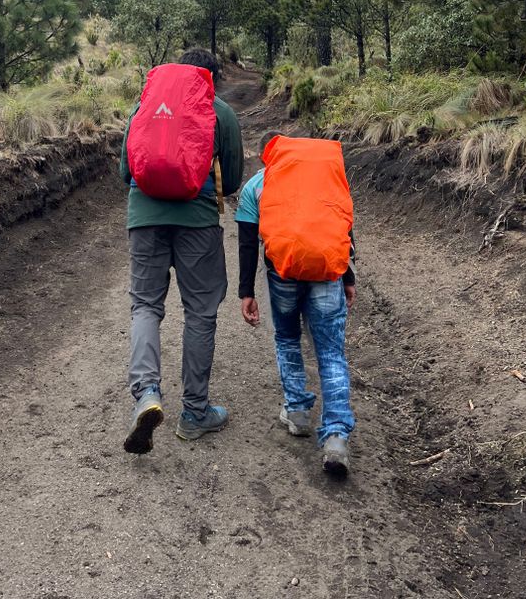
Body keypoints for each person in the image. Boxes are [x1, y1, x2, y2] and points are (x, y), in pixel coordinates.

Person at [120, 48, 244, 454]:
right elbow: (232, 181)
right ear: (209, 77)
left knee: (145, 306)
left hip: (144, 218)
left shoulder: (146, 103)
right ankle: (194, 412)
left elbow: (126, 171)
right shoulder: (219, 110)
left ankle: (147, 394)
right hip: (197, 222)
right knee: (201, 311)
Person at [235, 131, 356, 475]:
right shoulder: (327, 180)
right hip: (327, 273)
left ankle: (298, 411)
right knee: (331, 352)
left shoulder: (257, 185)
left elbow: (247, 243)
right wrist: (348, 277)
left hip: (282, 274)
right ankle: (335, 435)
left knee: (288, 337)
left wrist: (247, 292)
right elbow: (344, 227)